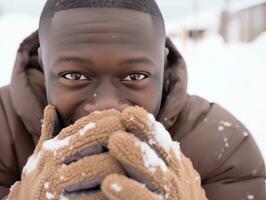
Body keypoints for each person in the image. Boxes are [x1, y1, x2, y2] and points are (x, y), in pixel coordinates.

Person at [0, 0, 265, 199]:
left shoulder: (222, 146)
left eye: (135, 76)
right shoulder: (4, 131)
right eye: (75, 75)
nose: (105, 103)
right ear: (44, 64)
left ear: (162, 65)